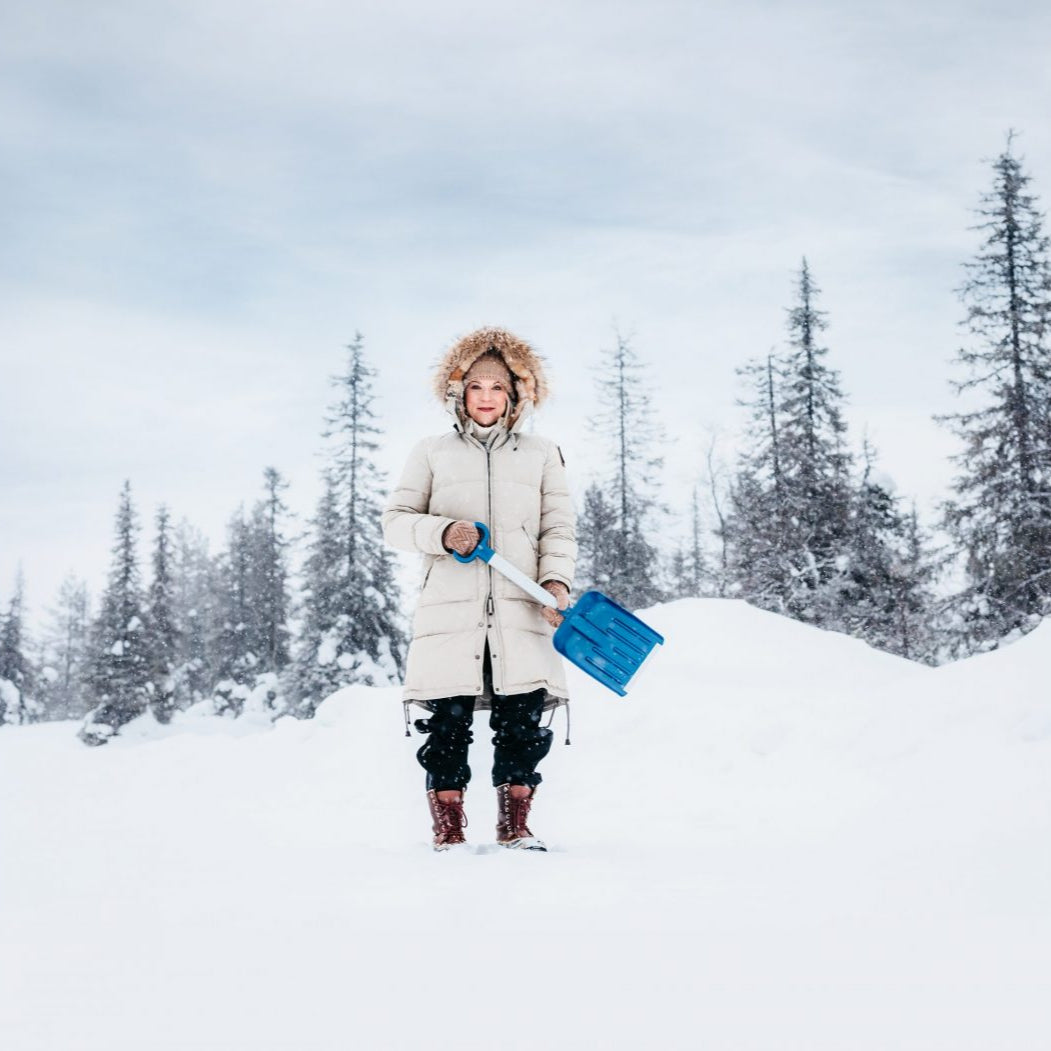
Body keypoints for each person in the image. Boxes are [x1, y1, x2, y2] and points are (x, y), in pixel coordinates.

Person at [382, 327, 577, 851]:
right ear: (458, 392)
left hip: (522, 607)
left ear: (515, 395)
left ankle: (514, 823)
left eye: (498, 388)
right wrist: (443, 533)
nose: (486, 398)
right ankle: (448, 827)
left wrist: (556, 581)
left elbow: (557, 527)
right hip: (451, 609)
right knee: (447, 723)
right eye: (476, 387)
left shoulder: (541, 453)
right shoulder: (431, 452)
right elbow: (395, 521)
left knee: (524, 722)